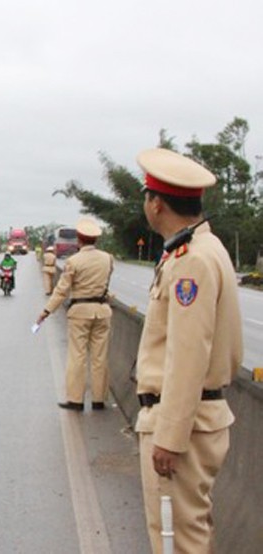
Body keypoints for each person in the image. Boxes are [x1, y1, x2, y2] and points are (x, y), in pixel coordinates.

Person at [134, 148, 242, 553]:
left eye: (147, 197)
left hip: (184, 423)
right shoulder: (204, 248)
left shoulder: (191, 260)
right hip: (199, 419)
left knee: (178, 541)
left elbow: (188, 355)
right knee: (189, 533)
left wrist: (171, 436)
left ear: (156, 203)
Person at [36, 217, 113, 411]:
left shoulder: (73, 261)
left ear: (79, 239)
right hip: (102, 311)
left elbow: (62, 291)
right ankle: (98, 400)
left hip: (80, 312)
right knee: (99, 357)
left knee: (77, 356)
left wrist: (46, 311)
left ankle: (76, 400)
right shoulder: (108, 258)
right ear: (96, 239)